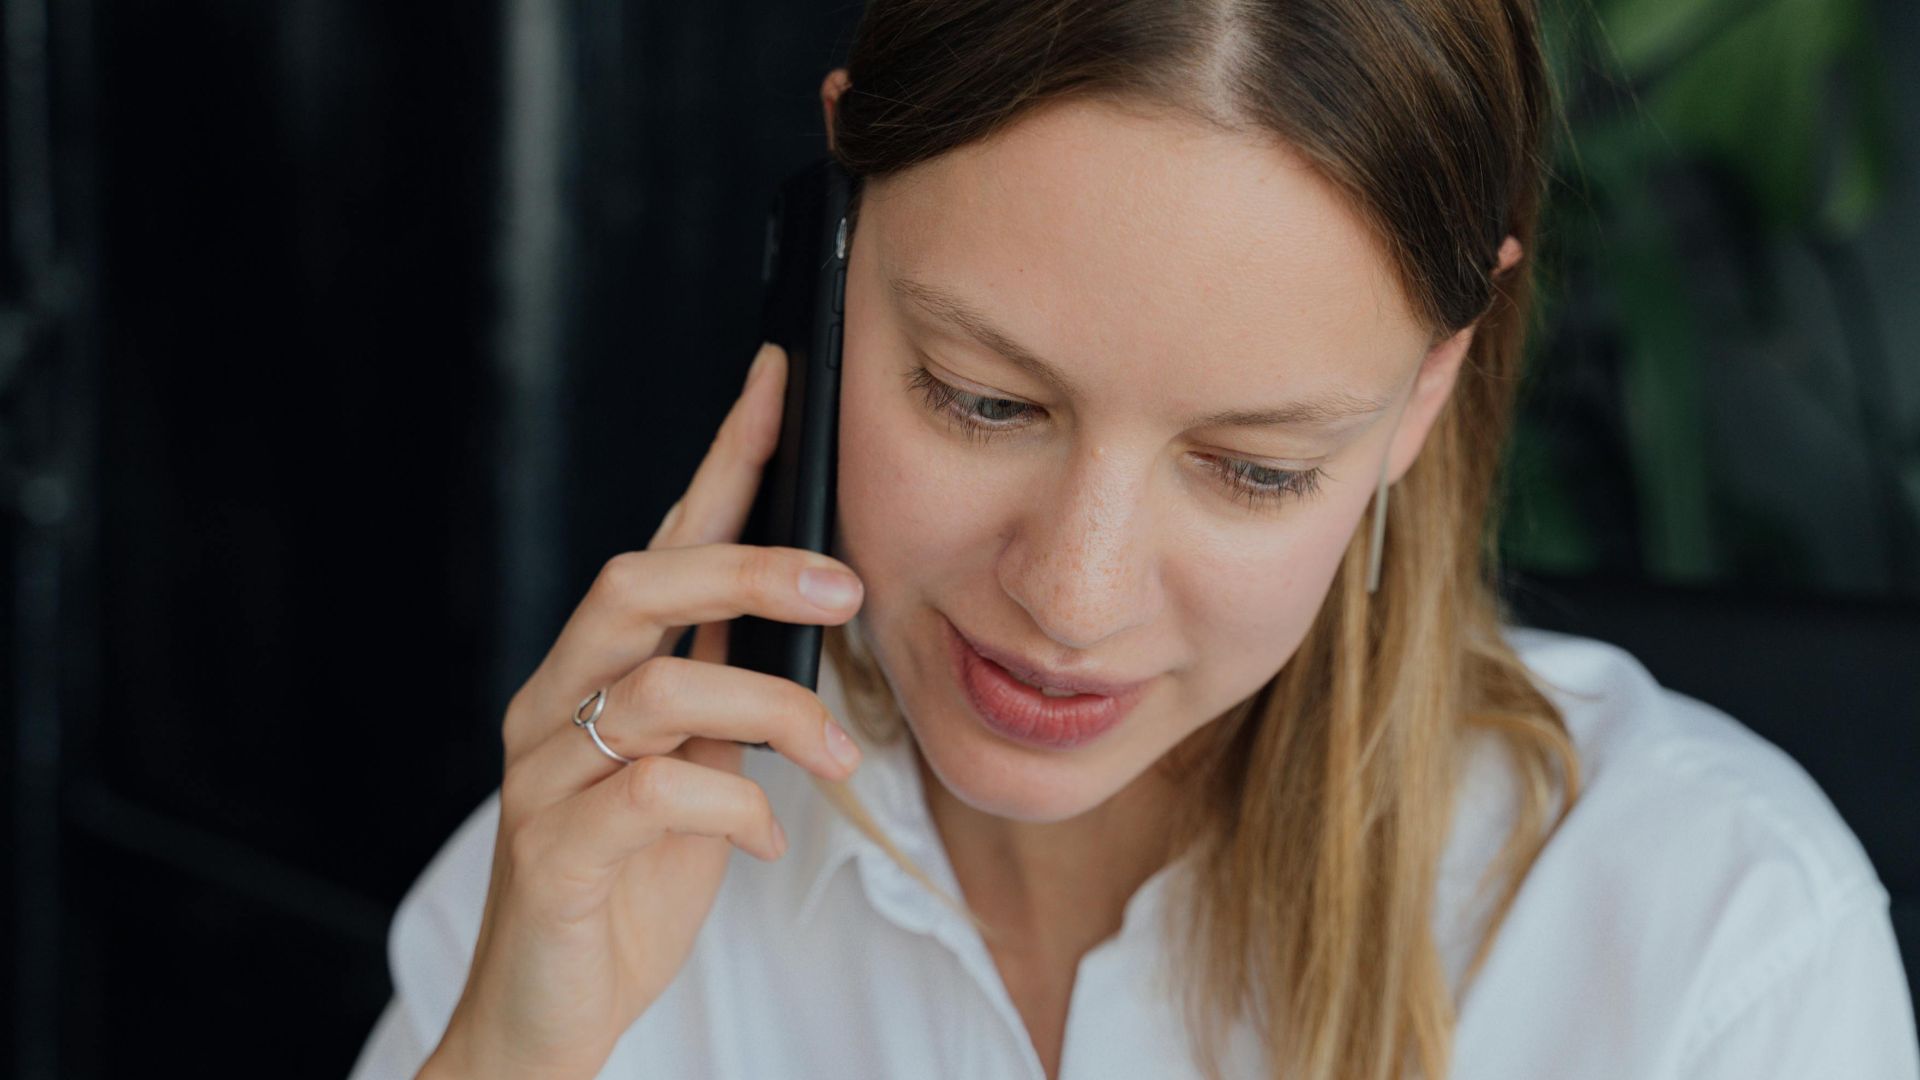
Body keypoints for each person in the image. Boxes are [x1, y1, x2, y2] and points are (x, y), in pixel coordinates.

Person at [349, 1, 1920, 1077]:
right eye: (979, 400)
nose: (1070, 601)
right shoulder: (593, 869)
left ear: (1426, 391)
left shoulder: (1717, 943)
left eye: (1249, 471)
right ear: (830, 241)